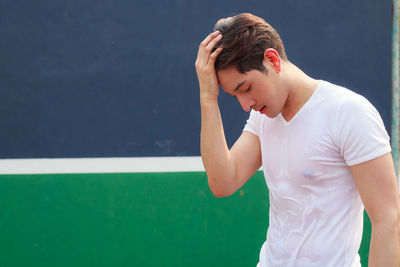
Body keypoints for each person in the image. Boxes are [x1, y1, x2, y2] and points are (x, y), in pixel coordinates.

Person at [195, 13, 400, 267]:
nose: (245, 105)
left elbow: (387, 219)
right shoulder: (263, 118)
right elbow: (223, 182)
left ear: (272, 60)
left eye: (245, 88)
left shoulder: (349, 113)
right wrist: (207, 97)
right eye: (234, 95)